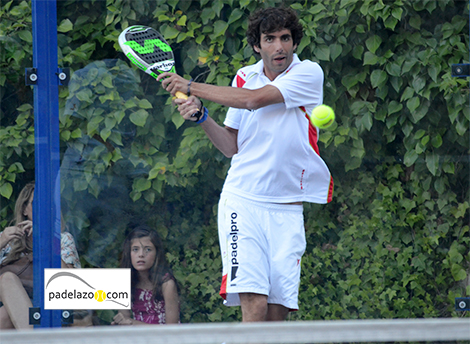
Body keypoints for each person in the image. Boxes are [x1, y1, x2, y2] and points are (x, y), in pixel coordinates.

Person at [157, 7, 334, 322]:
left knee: (276, 318)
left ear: (294, 43)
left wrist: (189, 86)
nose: (278, 47)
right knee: (255, 306)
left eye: (285, 38)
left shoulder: (308, 73)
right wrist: (201, 116)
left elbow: (253, 100)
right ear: (257, 45)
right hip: (242, 202)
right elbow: (230, 146)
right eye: (270, 39)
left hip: (288, 210)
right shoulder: (243, 77)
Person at [0, 182, 81, 329]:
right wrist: (1, 241)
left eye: (48, 204)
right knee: (7, 283)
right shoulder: (6, 239)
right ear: (24, 209)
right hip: (9, 303)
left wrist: (44, 241)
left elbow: (72, 286)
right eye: (37, 203)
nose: (43, 208)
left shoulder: (62, 239)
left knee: (5, 315)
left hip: (48, 307)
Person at [112, 226, 179, 325]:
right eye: (135, 249)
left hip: (163, 339)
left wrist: (132, 323)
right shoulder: (125, 282)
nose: (141, 255)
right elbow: (124, 320)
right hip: (135, 338)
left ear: (157, 254)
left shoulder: (167, 284)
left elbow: (172, 330)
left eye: (148, 250)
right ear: (128, 253)